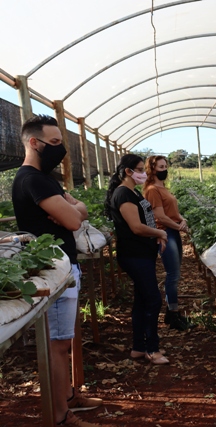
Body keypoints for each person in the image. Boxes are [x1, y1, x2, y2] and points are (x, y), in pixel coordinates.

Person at [12, 114, 103, 427]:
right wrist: (70, 211)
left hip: (63, 266)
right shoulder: (33, 180)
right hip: (51, 270)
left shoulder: (45, 179)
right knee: (56, 344)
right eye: (53, 143)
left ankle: (68, 396)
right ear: (34, 143)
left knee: (64, 340)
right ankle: (60, 416)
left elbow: (79, 210)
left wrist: (70, 209)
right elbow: (75, 221)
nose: (59, 150)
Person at [105, 154, 169, 365]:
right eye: (140, 169)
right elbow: (136, 227)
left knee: (142, 300)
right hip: (134, 255)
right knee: (153, 299)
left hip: (142, 254)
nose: (143, 173)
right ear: (128, 171)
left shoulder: (131, 192)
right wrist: (159, 234)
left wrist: (155, 236)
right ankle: (152, 349)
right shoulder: (123, 194)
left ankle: (138, 348)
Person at [143, 155, 191, 331]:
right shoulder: (152, 190)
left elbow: (173, 212)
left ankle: (172, 313)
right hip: (164, 233)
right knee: (172, 274)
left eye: (165, 166)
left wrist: (182, 220)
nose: (164, 170)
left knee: (176, 274)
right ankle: (172, 313)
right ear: (152, 169)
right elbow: (160, 217)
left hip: (173, 230)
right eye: (160, 167)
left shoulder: (164, 188)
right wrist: (179, 227)